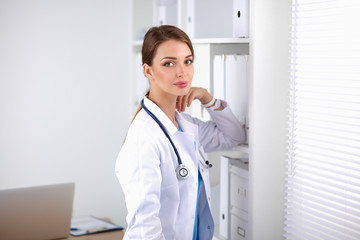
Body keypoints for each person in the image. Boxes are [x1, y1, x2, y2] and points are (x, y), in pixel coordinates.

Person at [115, 25, 245, 240]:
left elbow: (234, 137)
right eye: (169, 63)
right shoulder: (145, 138)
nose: (182, 71)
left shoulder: (184, 125)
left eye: (188, 61)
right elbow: (144, 229)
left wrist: (207, 98)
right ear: (148, 70)